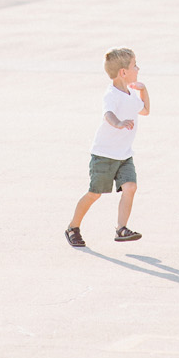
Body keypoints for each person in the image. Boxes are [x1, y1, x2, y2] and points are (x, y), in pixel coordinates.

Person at [65, 47, 149, 248]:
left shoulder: (130, 94)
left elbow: (145, 110)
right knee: (95, 193)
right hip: (104, 155)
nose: (138, 68)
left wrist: (143, 90)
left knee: (130, 187)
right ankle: (72, 227)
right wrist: (118, 123)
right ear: (123, 72)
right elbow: (108, 115)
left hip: (124, 155)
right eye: (134, 65)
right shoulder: (111, 95)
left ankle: (122, 229)